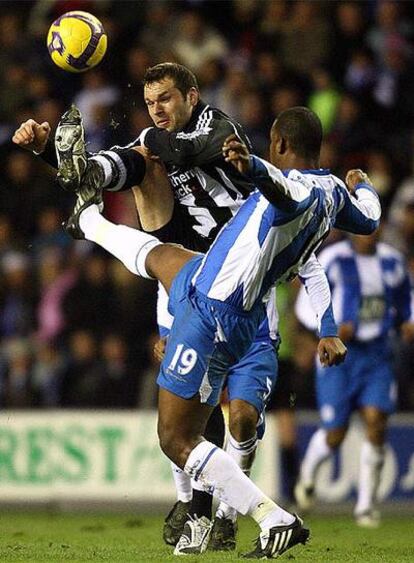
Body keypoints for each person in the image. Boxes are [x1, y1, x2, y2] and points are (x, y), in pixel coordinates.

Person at [12, 63, 336, 554]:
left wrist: (326, 323)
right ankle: (198, 511)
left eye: (166, 99)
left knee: (239, 418)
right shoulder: (154, 144)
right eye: (150, 102)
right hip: (187, 282)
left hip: (242, 286)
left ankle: (228, 511)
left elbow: (187, 150)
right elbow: (114, 167)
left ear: (191, 95)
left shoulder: (220, 132)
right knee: (186, 415)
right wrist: (55, 157)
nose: (157, 110)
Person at [294, 230, 414, 527]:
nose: (369, 236)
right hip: (339, 356)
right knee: (335, 433)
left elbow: (407, 296)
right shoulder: (333, 260)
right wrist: (329, 330)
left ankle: (365, 506)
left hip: (377, 354)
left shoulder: (392, 262)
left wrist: (410, 321)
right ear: (351, 231)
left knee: (376, 420)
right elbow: (305, 303)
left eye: (374, 228)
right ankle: (307, 477)